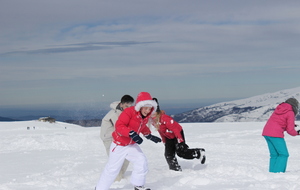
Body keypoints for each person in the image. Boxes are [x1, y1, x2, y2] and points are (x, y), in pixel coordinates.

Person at [96, 92, 162, 190]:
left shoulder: (144, 116)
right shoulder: (129, 112)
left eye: (149, 109)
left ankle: (138, 185)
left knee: (141, 161)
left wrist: (148, 135)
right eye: (145, 108)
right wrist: (131, 133)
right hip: (119, 144)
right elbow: (119, 126)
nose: (147, 111)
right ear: (140, 106)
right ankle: (100, 188)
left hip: (131, 145)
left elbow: (142, 126)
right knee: (112, 169)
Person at [151, 98, 206, 171]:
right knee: (168, 154)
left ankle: (198, 153)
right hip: (168, 136)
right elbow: (160, 131)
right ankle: (175, 169)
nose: (152, 113)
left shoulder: (164, 118)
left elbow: (175, 129)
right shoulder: (153, 121)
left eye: (154, 110)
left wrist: (180, 141)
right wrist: (164, 141)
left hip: (177, 133)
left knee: (181, 152)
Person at [100, 95, 134, 181]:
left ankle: (119, 176)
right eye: (126, 106)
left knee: (126, 156)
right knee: (115, 159)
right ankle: (115, 179)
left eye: (130, 106)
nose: (128, 108)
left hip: (117, 137)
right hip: (109, 138)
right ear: (121, 104)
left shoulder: (124, 112)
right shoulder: (115, 114)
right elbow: (120, 128)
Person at [262, 97, 300, 173]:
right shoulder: (290, 112)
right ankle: (278, 173)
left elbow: (278, 122)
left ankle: (272, 172)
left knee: (274, 155)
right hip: (276, 134)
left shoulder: (279, 109)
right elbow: (290, 131)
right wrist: (297, 133)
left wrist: (292, 125)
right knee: (284, 154)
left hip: (266, 132)